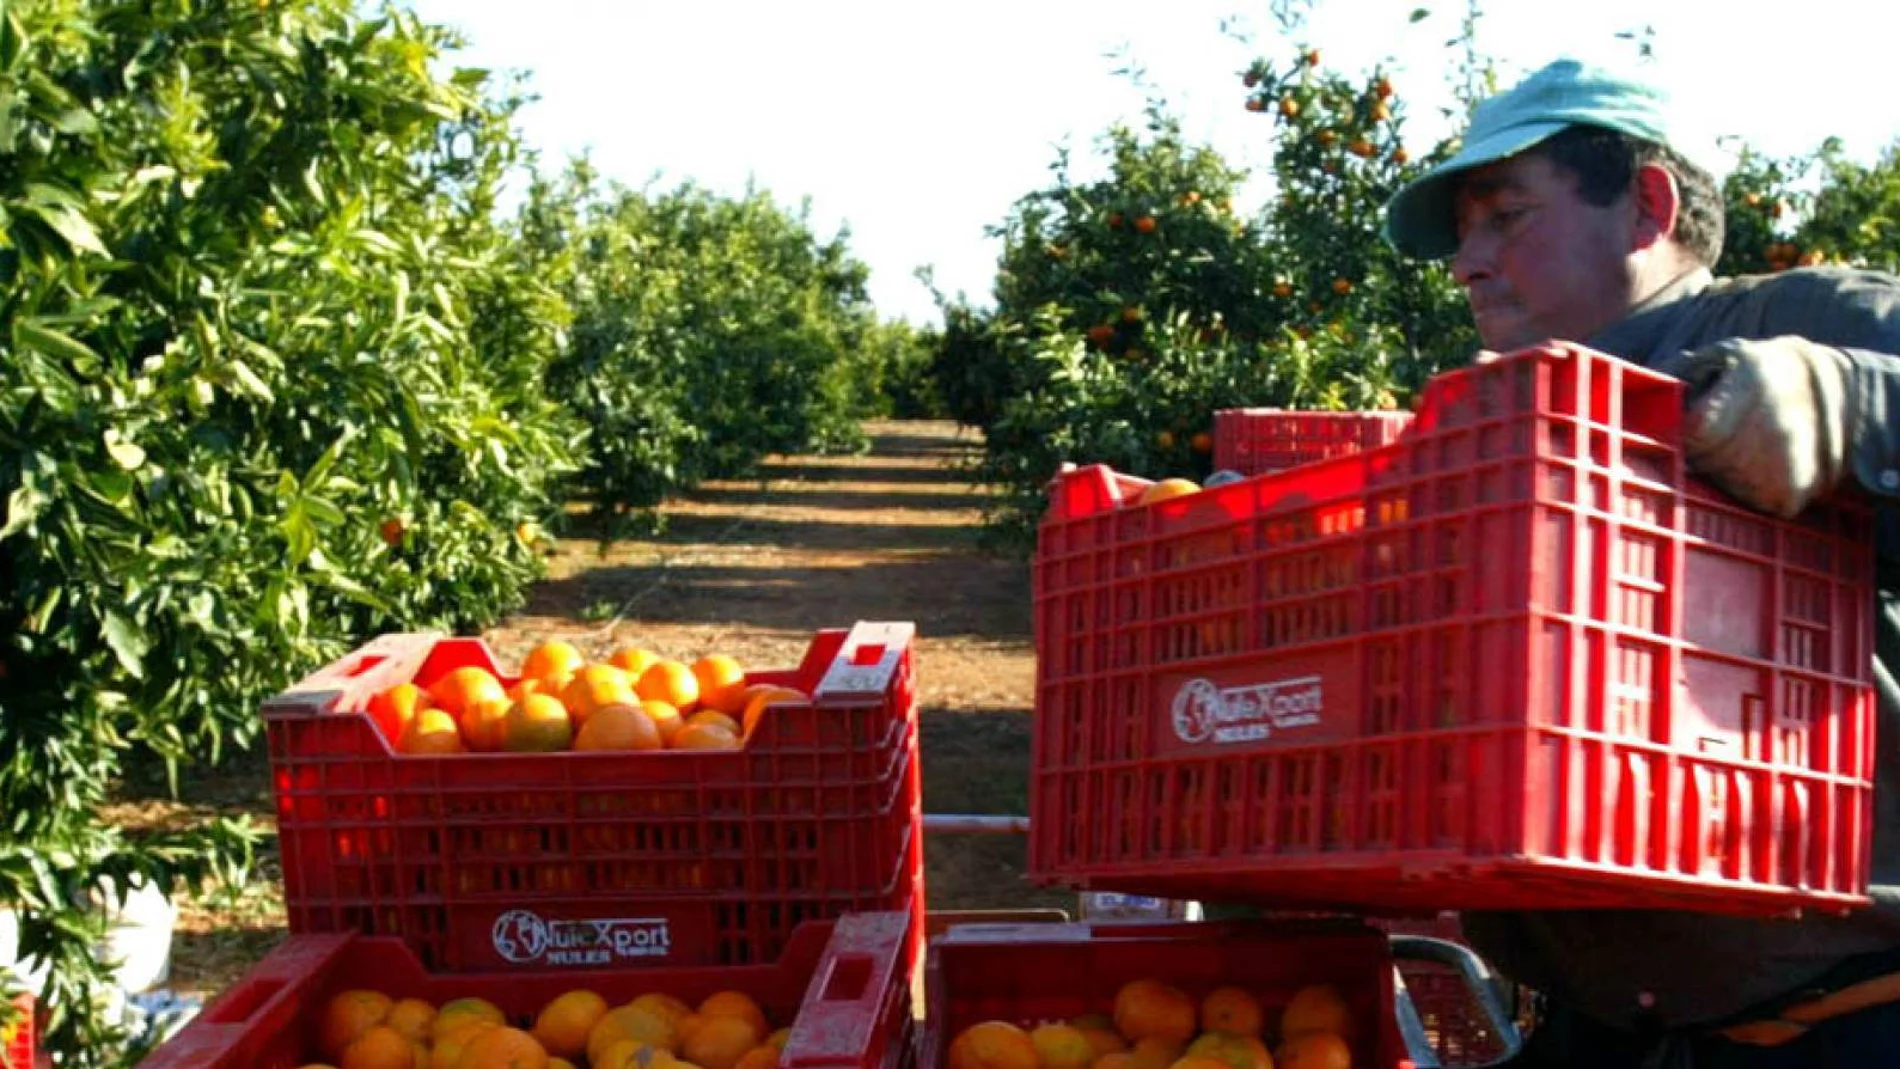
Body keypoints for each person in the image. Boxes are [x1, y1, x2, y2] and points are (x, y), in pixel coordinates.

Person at [1382, 58, 1900, 1066]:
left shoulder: (1789, 322)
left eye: (1503, 217)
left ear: (1645, 206)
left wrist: (1845, 405)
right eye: (1461, 235)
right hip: (1616, 1024)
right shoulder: (1491, 429)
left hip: (1844, 1024)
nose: (1466, 262)